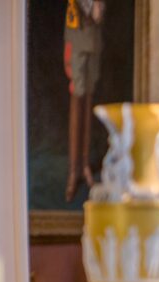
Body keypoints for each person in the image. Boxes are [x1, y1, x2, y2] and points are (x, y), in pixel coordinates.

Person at [64, 0, 105, 201]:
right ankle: (74, 171)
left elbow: (99, 13)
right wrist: (92, 8)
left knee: (88, 98)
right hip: (76, 34)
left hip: (93, 38)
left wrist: (98, 9)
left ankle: (85, 165)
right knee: (77, 97)